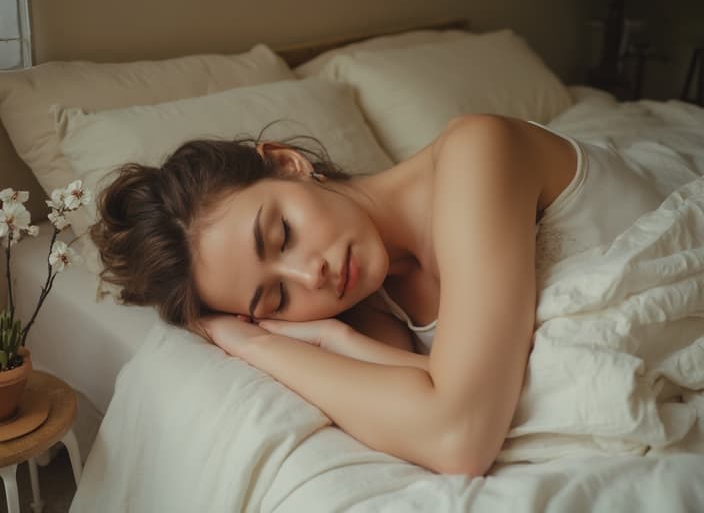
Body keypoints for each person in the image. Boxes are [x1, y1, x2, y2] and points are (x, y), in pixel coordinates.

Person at [91, 114, 663, 476]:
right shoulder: (369, 307)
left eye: (282, 233)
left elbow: (458, 437)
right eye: (276, 301)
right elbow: (432, 403)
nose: (309, 277)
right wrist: (327, 336)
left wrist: (259, 345)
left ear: (289, 164)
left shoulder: (477, 152)